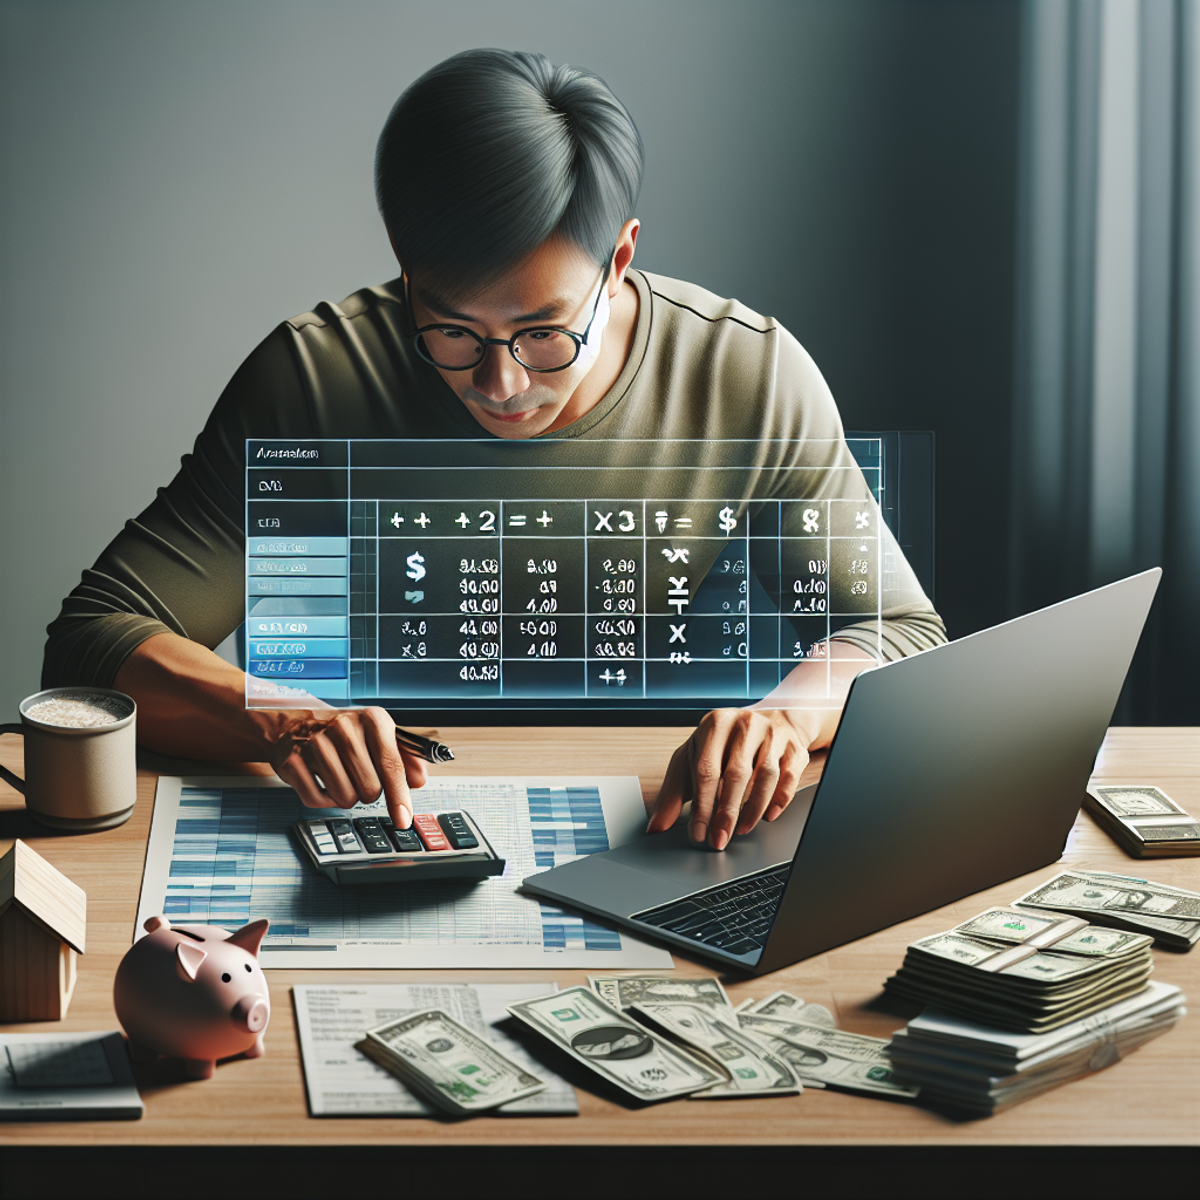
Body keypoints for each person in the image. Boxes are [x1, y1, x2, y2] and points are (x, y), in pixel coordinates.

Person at [43, 49, 945, 852]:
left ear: (620, 259)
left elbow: (905, 635)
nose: (499, 385)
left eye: (546, 333)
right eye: (450, 331)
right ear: (405, 263)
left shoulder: (746, 375)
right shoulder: (314, 379)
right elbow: (93, 642)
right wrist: (279, 718)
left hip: (660, 834)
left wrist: (786, 718)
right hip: (385, 834)